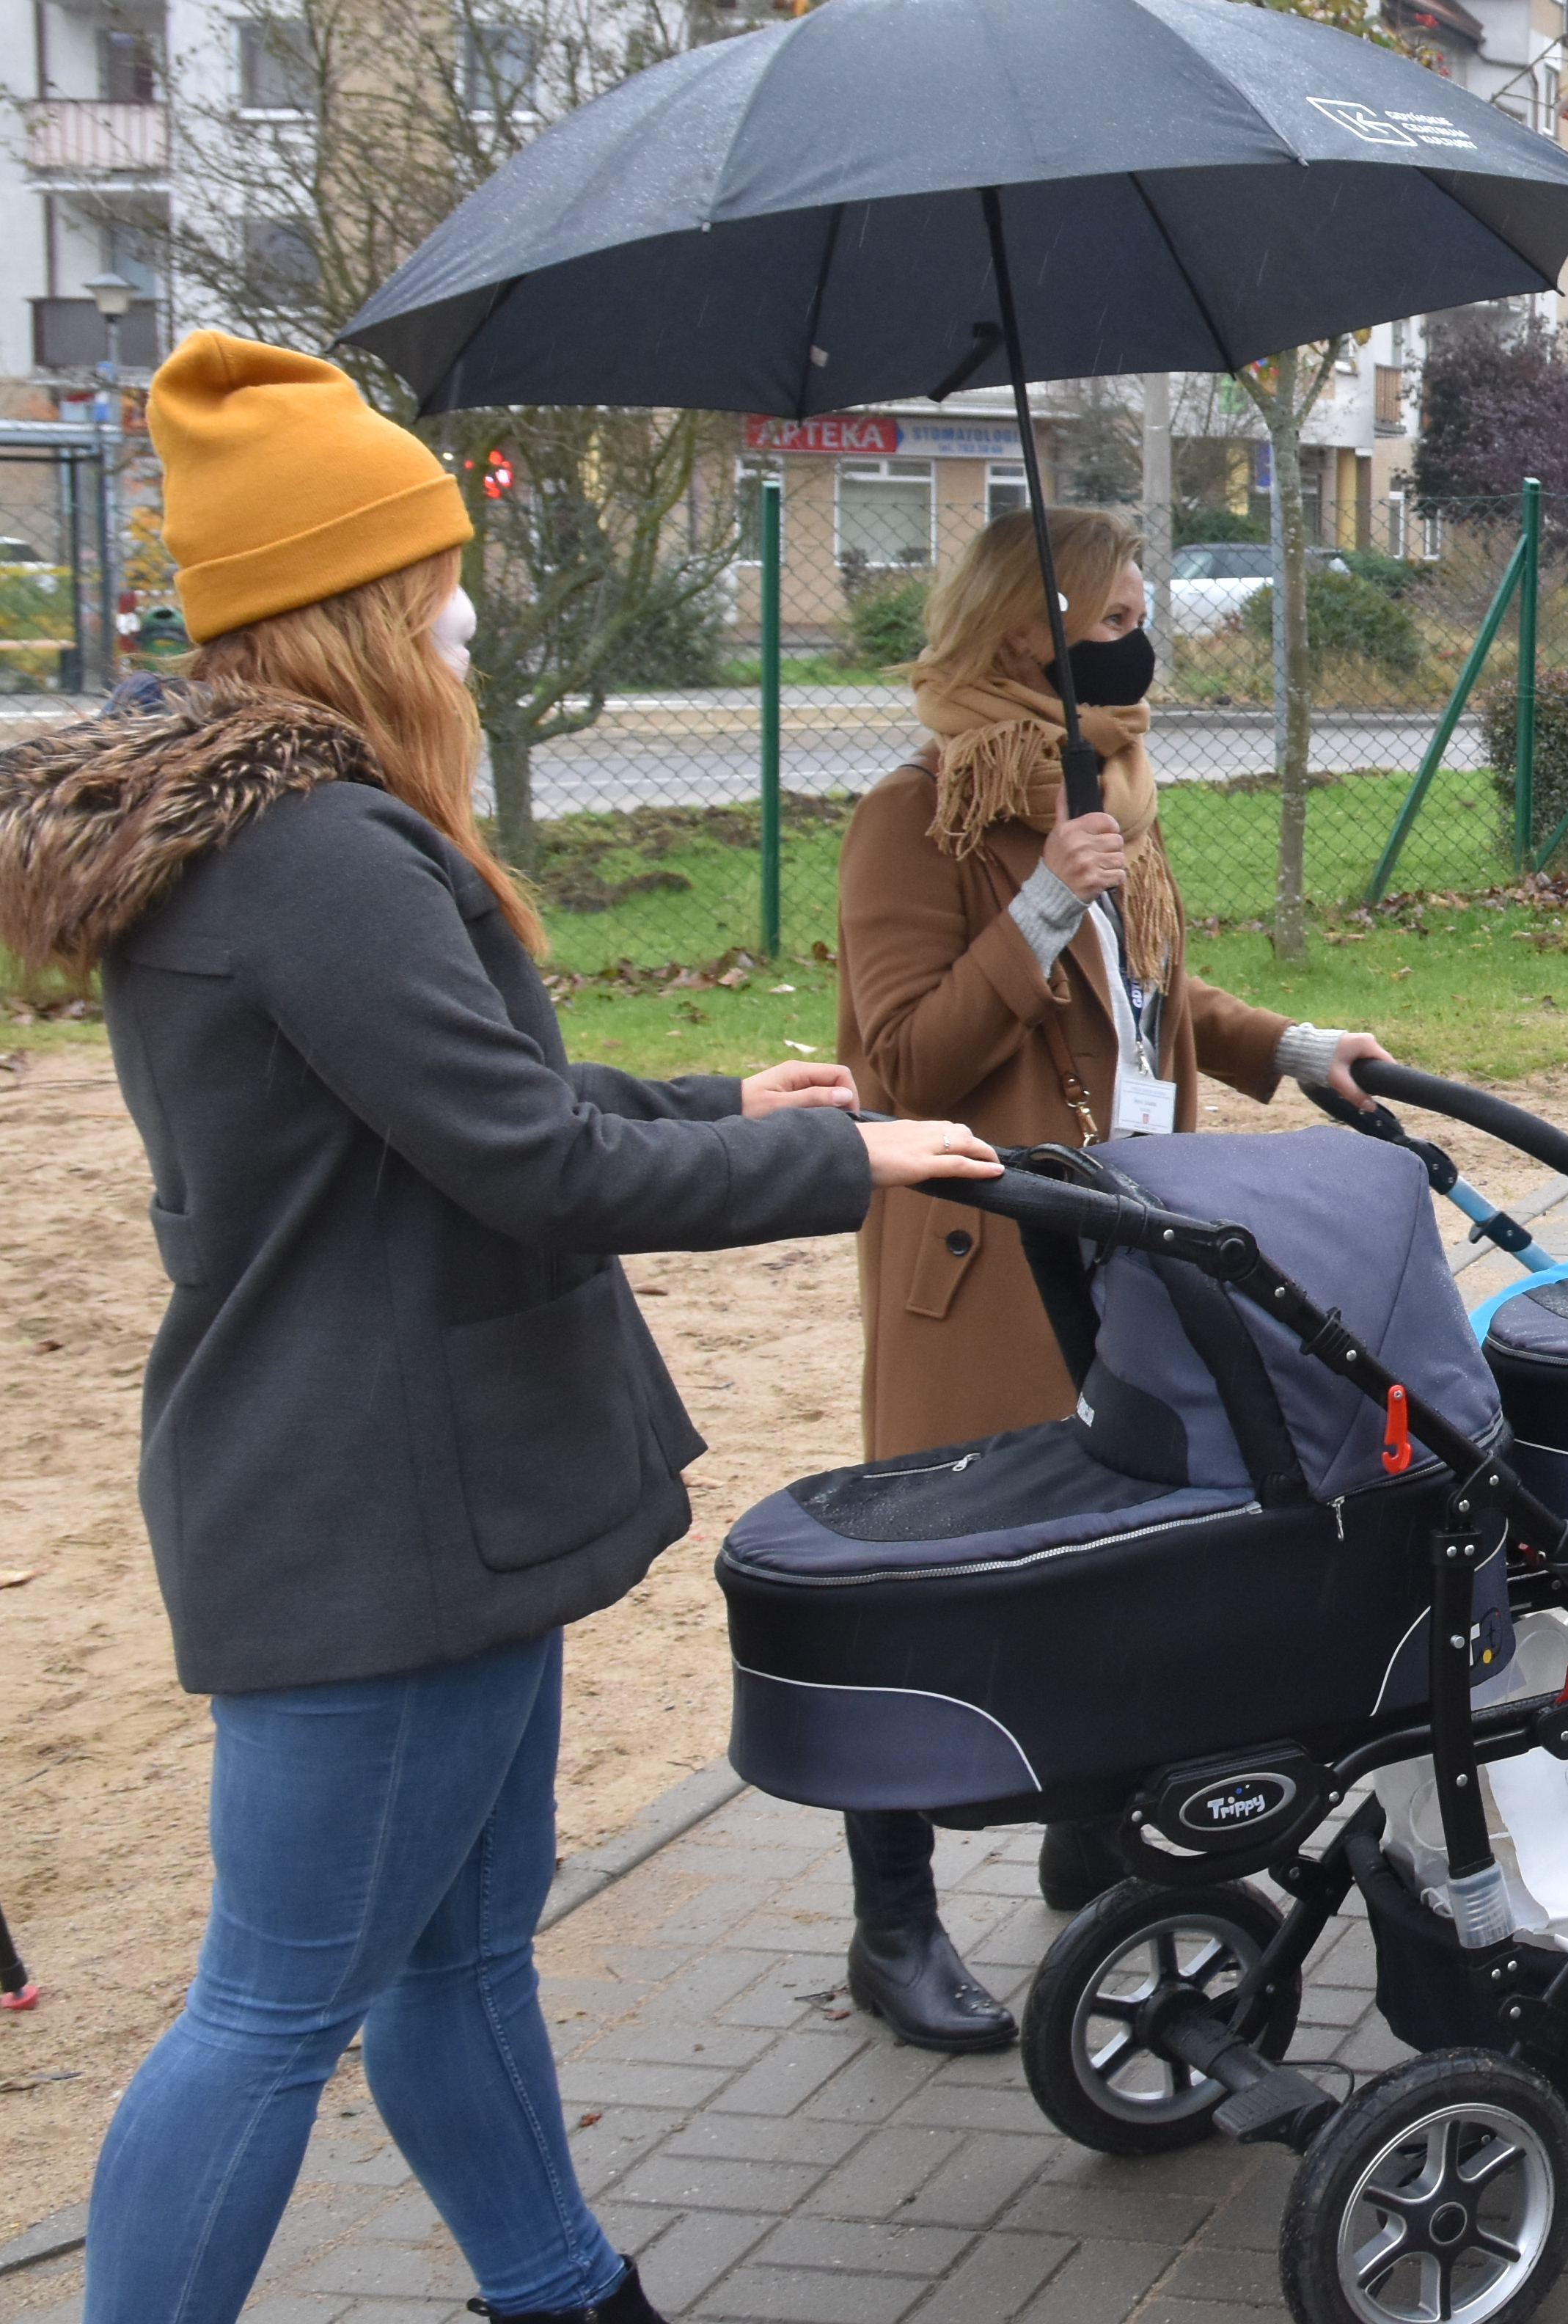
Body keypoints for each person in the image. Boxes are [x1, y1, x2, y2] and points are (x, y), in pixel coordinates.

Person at [0, 335, 999, 2324]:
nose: (468, 605)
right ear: (352, 603)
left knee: (455, 1965)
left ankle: (565, 2292)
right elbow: (533, 1168)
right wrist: (855, 1160)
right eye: (436, 570)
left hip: (405, 1494)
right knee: (274, 2008)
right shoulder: (314, 852)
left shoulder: (288, 831)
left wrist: (727, 1108)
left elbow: (463, 1098)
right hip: (382, 1515)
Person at [828, 508, 1394, 2050]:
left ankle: (1099, 1839)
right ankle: (894, 1922)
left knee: (1135, 1551)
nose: (1149, 635)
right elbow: (897, 1060)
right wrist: (1036, 907)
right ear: (1033, 632)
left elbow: (1156, 1003)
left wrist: (1289, 1047)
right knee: (941, 1585)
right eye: (1123, 611)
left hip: (1137, 1239)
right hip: (997, 1254)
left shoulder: (1111, 791)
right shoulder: (918, 815)